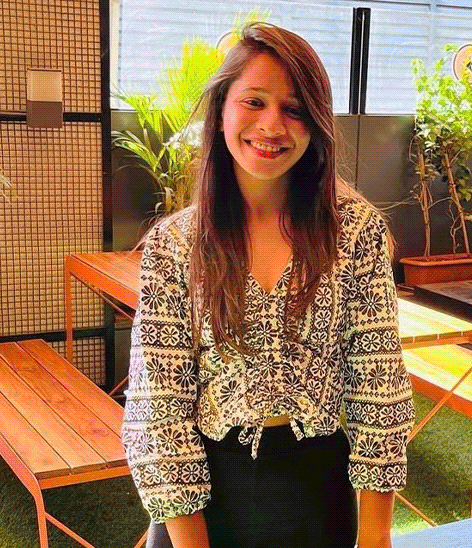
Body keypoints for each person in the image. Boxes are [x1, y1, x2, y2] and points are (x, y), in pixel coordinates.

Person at [121, 22, 415, 548]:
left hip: (316, 498)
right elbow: (158, 410)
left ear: (316, 124)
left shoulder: (355, 232)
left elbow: (379, 388)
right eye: (253, 101)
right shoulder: (175, 245)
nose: (272, 125)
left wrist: (376, 537)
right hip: (200, 509)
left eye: (294, 108)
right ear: (221, 111)